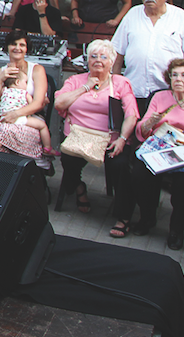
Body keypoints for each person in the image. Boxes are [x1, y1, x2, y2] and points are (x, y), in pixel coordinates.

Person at [54, 39, 139, 235]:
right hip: (78, 137)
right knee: (68, 159)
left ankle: (123, 216)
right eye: (93, 56)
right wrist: (86, 87)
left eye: (103, 57)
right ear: (87, 60)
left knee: (121, 166)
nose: (98, 60)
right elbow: (60, 104)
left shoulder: (121, 83)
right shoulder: (76, 80)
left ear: (112, 61)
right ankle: (79, 188)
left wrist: (123, 139)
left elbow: (131, 114)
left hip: (110, 141)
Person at [129, 57, 184, 250]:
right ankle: (147, 218)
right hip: (160, 145)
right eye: (174, 75)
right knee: (140, 173)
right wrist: (150, 122)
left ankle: (176, 230)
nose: (178, 79)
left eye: (183, 75)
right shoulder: (160, 97)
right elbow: (142, 129)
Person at [112, 0, 184, 116]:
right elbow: (117, 52)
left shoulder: (179, 16)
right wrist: (116, 83)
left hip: (168, 92)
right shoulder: (132, 14)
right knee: (134, 131)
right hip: (135, 89)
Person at [0, 30, 53, 168]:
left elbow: (39, 103)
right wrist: (0, 81)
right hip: (4, 119)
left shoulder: (37, 70)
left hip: (29, 121)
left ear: (26, 49)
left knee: (0, 133)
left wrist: (16, 114)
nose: (17, 48)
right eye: (13, 44)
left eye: (22, 45)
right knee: (1, 130)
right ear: (7, 48)